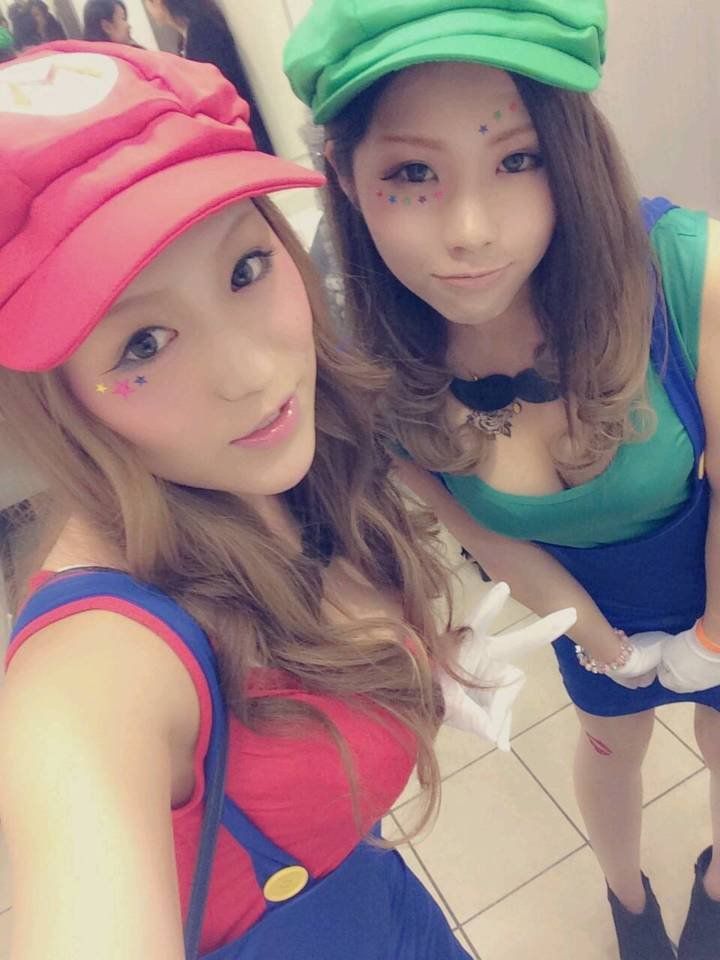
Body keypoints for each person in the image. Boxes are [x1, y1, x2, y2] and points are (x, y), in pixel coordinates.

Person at [0, 41, 574, 960]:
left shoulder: (289, 467)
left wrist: (413, 673)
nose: (251, 372)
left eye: (243, 270)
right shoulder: (92, 675)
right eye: (142, 343)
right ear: (51, 397)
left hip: (396, 915)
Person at [284, 2, 720, 958]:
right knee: (610, 746)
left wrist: (711, 637)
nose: (472, 231)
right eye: (412, 173)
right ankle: (628, 899)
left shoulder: (689, 271)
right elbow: (482, 533)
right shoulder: (376, 367)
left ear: (571, 153)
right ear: (346, 179)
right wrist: (601, 642)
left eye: (517, 158)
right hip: (583, 610)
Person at [143, 0, 273, 154]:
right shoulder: (189, 36)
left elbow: (219, 90)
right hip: (237, 130)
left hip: (244, 130)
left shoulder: (202, 32)